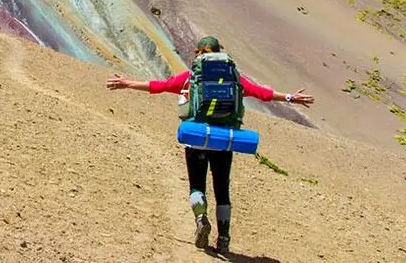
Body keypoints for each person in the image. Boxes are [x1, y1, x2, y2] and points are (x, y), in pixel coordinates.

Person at [105, 35, 314, 254]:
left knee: (197, 185)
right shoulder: (234, 78)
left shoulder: (191, 78)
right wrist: (290, 97)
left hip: (197, 139)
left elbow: (160, 86)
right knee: (222, 191)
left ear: (198, 53)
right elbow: (263, 93)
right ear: (219, 52)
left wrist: (127, 83)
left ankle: (201, 218)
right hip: (224, 140)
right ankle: (223, 238)